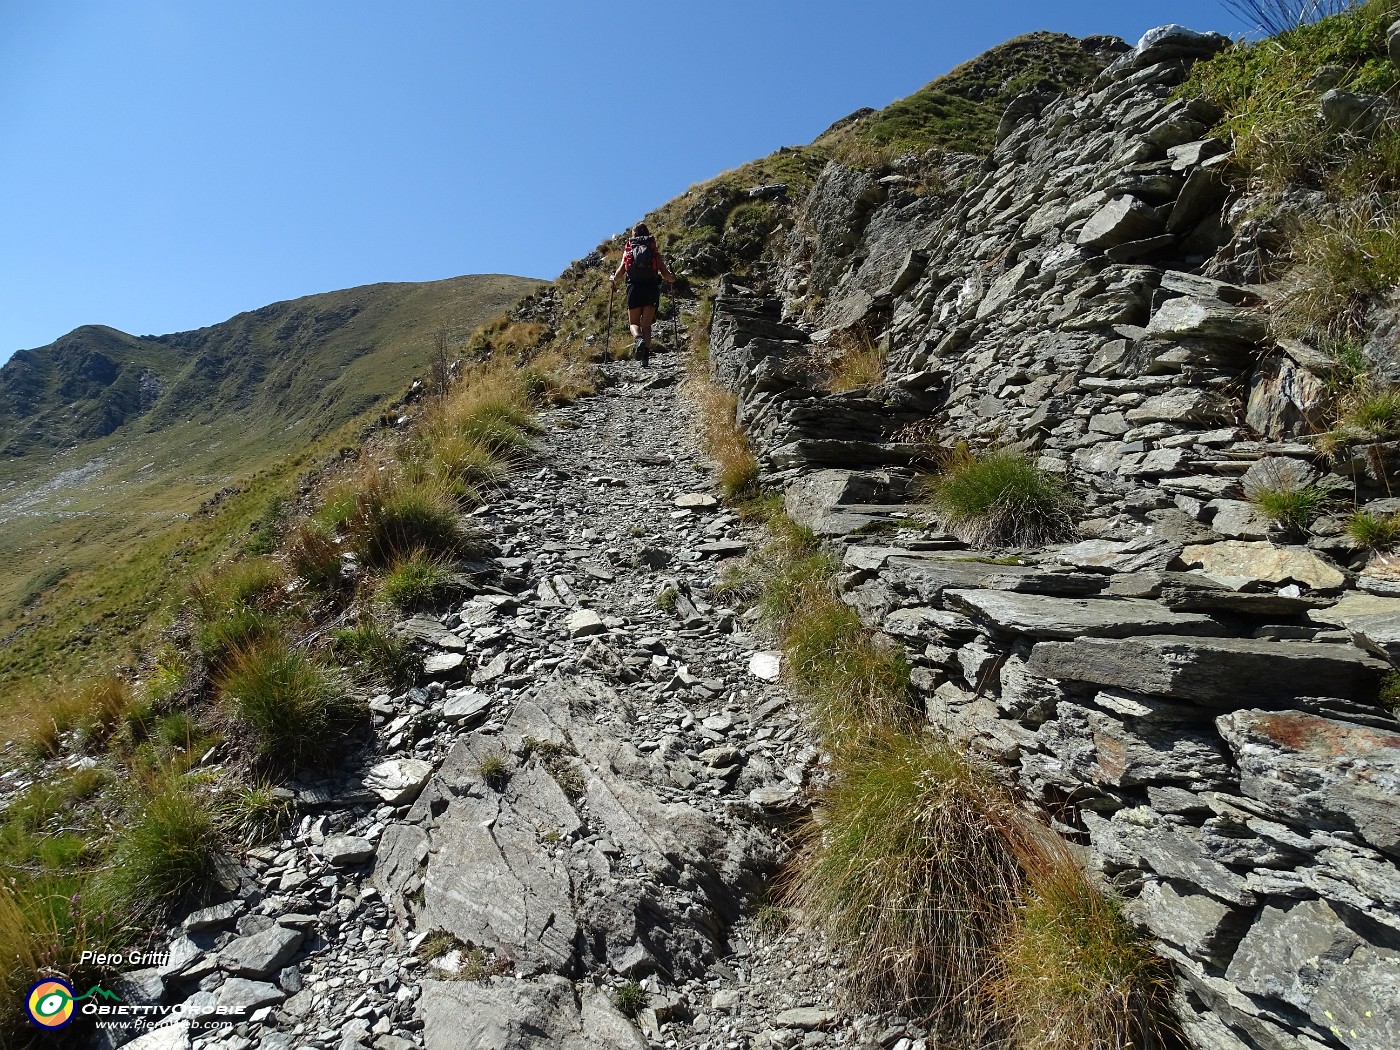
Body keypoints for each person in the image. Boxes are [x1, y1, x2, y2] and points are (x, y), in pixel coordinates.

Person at [610, 222, 674, 366]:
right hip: (651, 289)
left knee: (634, 323)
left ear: (634, 234)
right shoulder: (653, 252)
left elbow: (620, 273)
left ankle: (638, 339)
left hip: (634, 288)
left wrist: (612, 278)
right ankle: (645, 358)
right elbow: (665, 274)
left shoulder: (629, 250)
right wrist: (672, 279)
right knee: (646, 325)